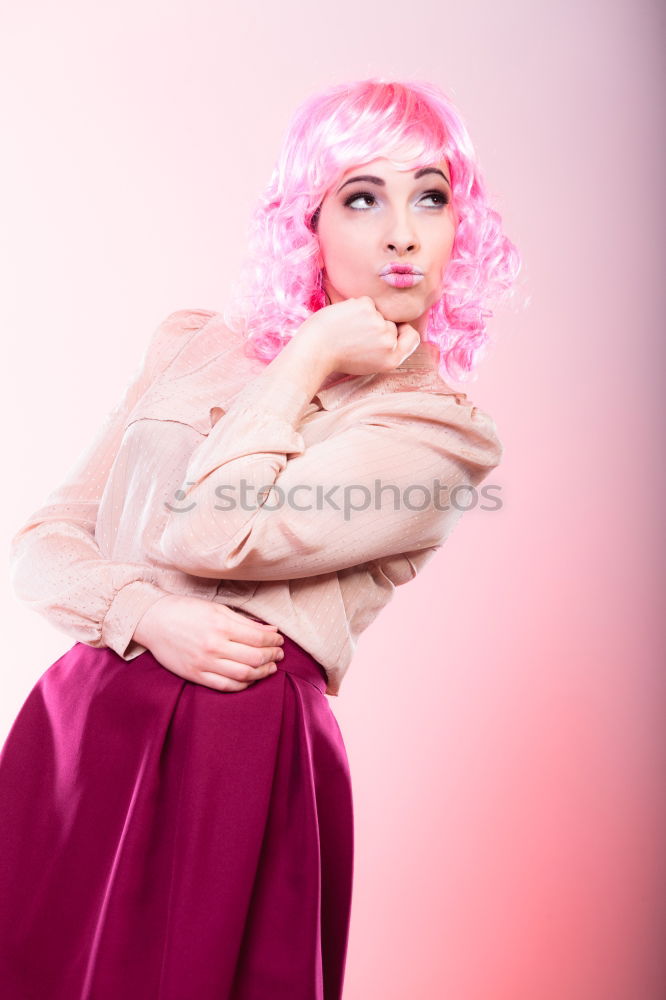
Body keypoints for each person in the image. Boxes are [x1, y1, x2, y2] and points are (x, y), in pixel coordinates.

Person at [0, 77, 521, 999]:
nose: (402, 230)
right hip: (81, 724)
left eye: (431, 196)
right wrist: (146, 614)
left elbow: (212, 532)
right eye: (362, 196)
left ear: (459, 229)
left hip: (234, 751)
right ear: (308, 222)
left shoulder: (437, 433)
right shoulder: (194, 343)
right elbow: (40, 541)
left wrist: (312, 356)